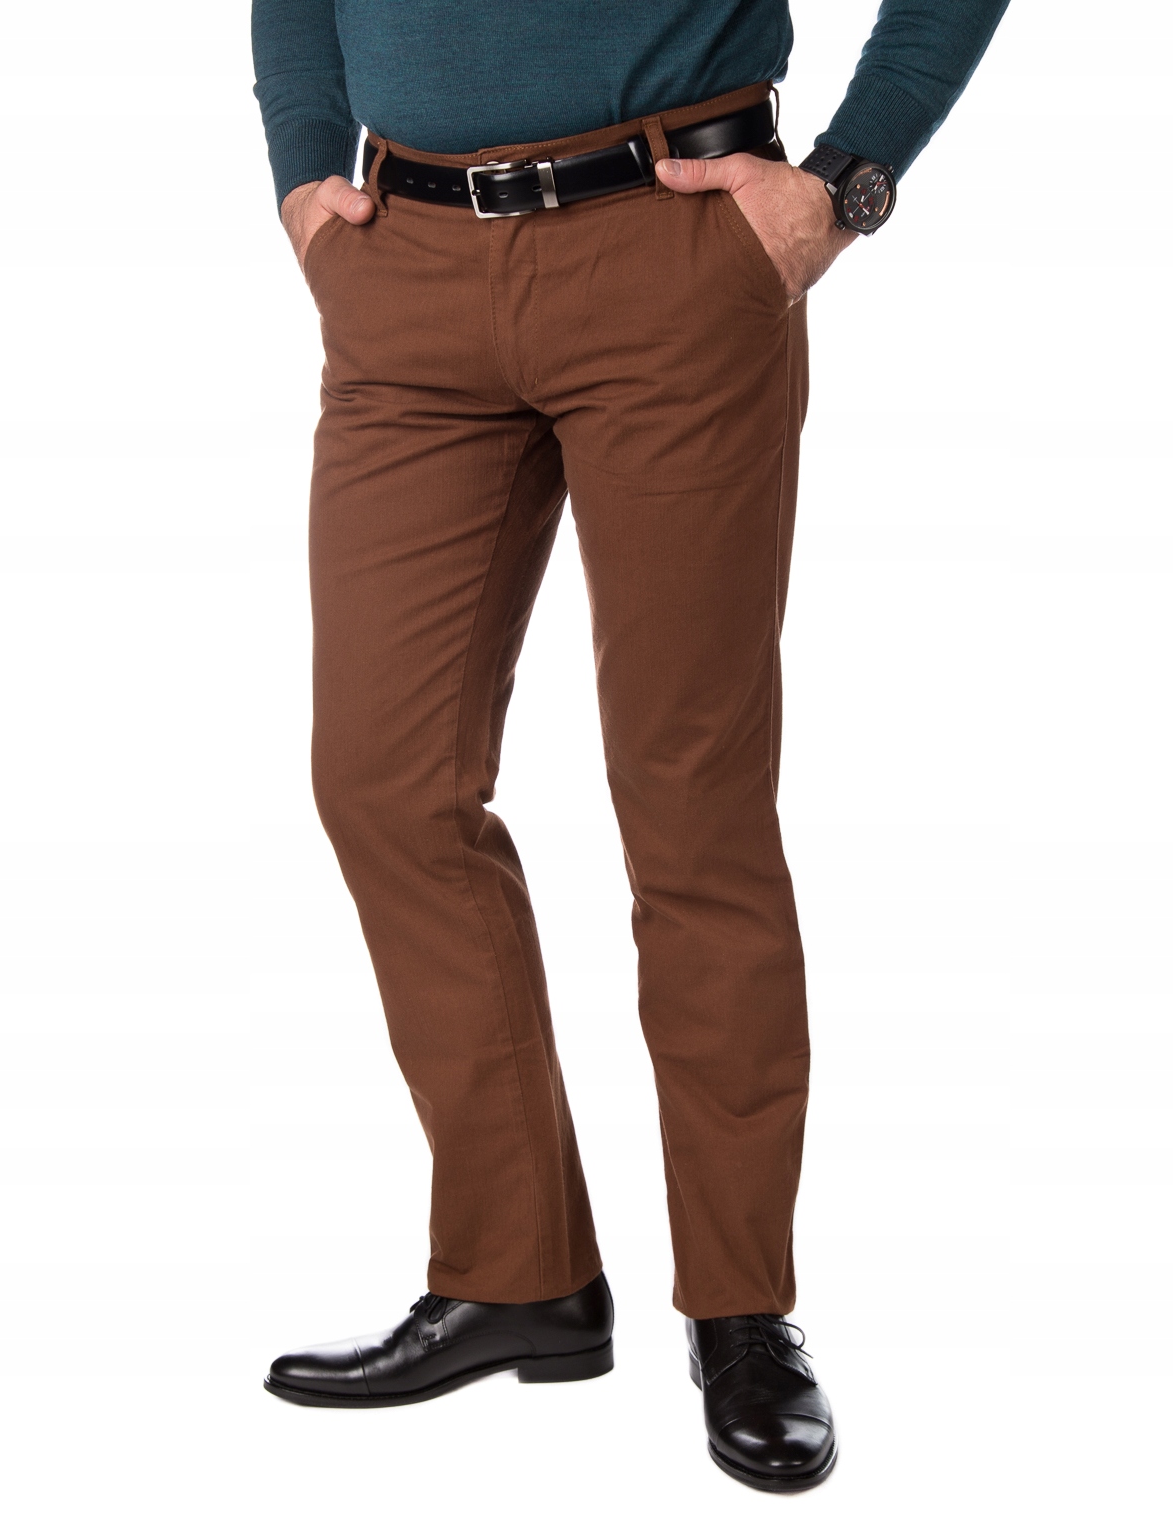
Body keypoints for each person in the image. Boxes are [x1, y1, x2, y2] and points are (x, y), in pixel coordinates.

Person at [251, 0, 1009, 1493]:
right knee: (381, 783)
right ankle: (517, 1270)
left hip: (674, 245)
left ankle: (741, 1310)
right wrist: (301, 173)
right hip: (404, 266)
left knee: (690, 800)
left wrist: (849, 181)